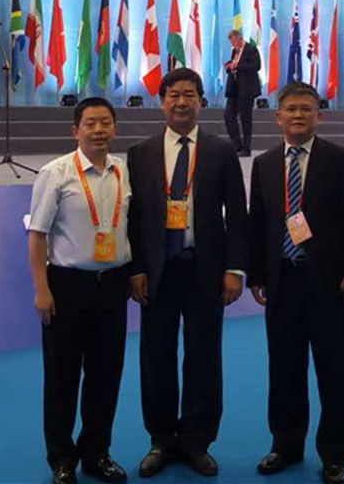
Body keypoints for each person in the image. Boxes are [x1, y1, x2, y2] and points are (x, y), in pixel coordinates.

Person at [127, 68, 248, 478]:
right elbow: (133, 219)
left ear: (201, 101)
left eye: (189, 95)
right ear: (162, 101)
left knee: (204, 357)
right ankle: (161, 439)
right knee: (155, 357)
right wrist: (137, 269)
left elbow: (238, 213)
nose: (181, 102)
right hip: (157, 272)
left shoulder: (221, 150)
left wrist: (234, 268)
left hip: (205, 270)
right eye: (174, 95)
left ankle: (197, 440)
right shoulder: (140, 153)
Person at [248, 82, 344, 484]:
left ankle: (335, 453)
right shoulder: (265, 164)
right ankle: (285, 445)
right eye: (291, 109)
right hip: (282, 281)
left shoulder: (340, 159)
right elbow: (258, 223)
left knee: (334, 370)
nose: (298, 115)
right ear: (278, 117)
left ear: (319, 115)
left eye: (306, 109)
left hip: (330, 284)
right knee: (284, 368)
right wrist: (257, 275)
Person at [27, 98, 132, 484]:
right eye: (90, 123)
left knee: (106, 376)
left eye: (105, 122)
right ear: (76, 131)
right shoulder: (55, 173)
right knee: (63, 377)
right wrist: (41, 290)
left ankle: (96, 454)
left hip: (113, 287)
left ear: (114, 128)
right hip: (67, 287)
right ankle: (61, 458)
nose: (98, 130)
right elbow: (37, 236)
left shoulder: (123, 171)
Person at [223, 29, 261, 157]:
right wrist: (229, 67)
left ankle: (246, 148)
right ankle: (236, 145)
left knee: (245, 118)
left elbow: (256, 66)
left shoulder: (251, 49)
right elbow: (234, 65)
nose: (233, 45)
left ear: (240, 39)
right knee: (228, 116)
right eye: (231, 43)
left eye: (234, 42)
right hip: (234, 89)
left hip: (247, 90)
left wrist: (238, 66)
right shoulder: (235, 51)